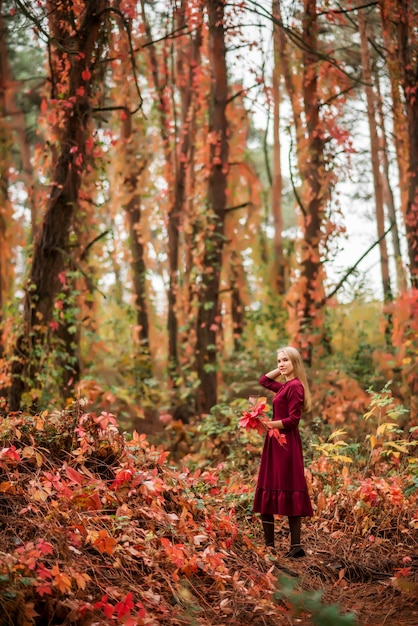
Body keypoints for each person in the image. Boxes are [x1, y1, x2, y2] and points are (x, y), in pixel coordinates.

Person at [253, 346, 313, 558]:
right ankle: (269, 547)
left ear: (295, 362)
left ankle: (296, 547)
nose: (280, 364)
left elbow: (293, 421)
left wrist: (269, 424)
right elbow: (264, 381)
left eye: (285, 360)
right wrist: (282, 369)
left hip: (286, 444)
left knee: (289, 487)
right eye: (279, 360)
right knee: (268, 486)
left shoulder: (296, 387)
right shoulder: (286, 386)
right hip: (274, 443)